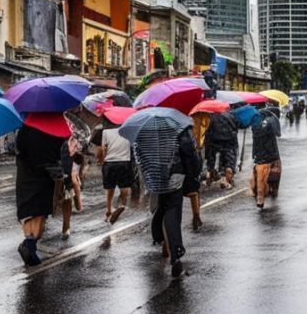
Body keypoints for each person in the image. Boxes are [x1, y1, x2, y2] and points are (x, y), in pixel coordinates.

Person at [140, 125, 202, 278]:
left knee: (162, 206)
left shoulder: (146, 128)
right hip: (175, 174)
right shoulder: (178, 126)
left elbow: (140, 154)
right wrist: (194, 171)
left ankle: (161, 239)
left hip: (154, 175)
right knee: (172, 211)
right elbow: (188, 150)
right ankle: (175, 255)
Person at [15, 121, 64, 266]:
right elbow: (59, 150)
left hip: (25, 174)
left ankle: (29, 245)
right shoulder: (55, 125)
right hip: (45, 174)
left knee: (27, 212)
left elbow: (19, 149)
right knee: (40, 214)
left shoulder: (25, 127)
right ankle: (29, 244)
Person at [96, 117, 133, 224]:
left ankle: (108, 210)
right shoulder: (127, 131)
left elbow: (103, 149)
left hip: (109, 163)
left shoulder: (106, 132)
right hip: (124, 161)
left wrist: (101, 160)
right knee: (124, 188)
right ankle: (121, 205)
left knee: (109, 188)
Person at [249, 105, 282, 208]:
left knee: (260, 175)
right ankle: (266, 194)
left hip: (259, 153)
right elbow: (278, 133)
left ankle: (259, 194)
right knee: (273, 172)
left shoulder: (256, 121)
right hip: (271, 154)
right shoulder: (271, 120)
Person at [204, 110, 239, 189]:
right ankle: (226, 179)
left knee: (211, 159)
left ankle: (210, 173)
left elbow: (208, 130)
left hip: (214, 141)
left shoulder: (211, 116)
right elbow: (236, 127)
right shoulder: (231, 115)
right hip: (229, 140)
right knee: (228, 160)